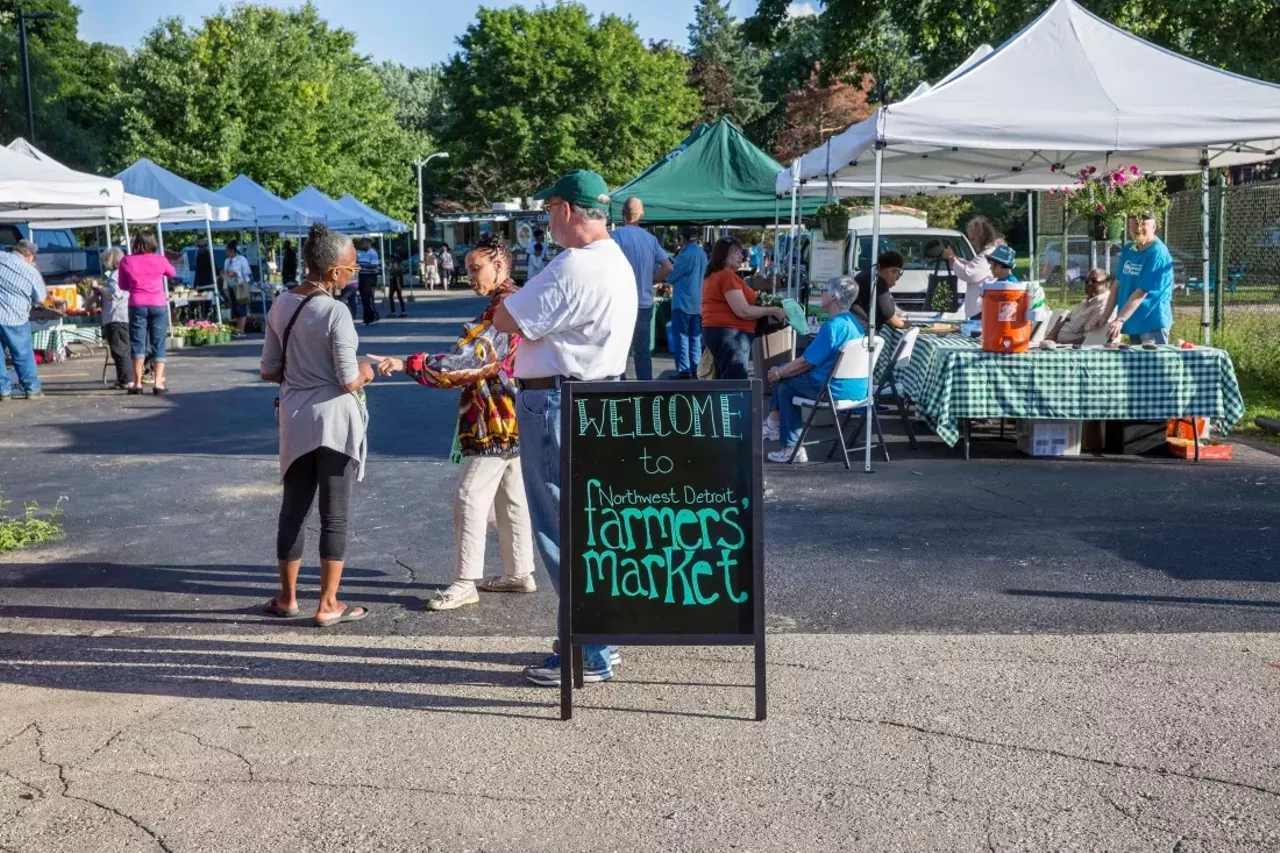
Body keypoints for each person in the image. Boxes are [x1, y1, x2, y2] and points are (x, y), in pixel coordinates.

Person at [491, 169, 636, 687]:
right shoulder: (615, 258)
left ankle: (588, 651)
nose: (547, 219)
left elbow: (508, 319)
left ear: (568, 210)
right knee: (589, 526)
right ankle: (599, 639)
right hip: (593, 394)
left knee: (561, 530)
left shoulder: (573, 265)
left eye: (550, 208)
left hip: (556, 399)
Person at [372, 233, 534, 610]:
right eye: (468, 270)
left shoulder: (505, 308)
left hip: (496, 417)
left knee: (470, 495)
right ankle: (519, 571)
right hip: (512, 413)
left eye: (476, 269)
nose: (470, 277)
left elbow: (471, 360)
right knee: (511, 496)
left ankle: (465, 582)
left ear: (499, 265)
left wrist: (409, 364)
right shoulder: (513, 301)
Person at [260, 222, 374, 628]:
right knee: (334, 514)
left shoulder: (281, 303)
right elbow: (348, 379)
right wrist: (369, 370)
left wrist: (303, 374)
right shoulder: (336, 311)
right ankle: (328, 604)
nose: (353, 275)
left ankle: (287, 597)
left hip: (295, 418)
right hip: (336, 422)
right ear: (332, 272)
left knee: (293, 510)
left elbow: (270, 369)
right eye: (351, 269)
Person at [762, 277, 868, 464]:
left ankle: (789, 444)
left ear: (834, 297)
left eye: (825, 291)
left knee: (784, 384)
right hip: (856, 388)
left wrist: (778, 373)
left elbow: (806, 363)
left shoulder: (833, 326)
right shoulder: (854, 322)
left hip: (831, 388)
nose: (822, 294)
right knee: (783, 373)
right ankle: (774, 425)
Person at [700, 238, 785, 379]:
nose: (741, 256)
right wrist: (772, 310)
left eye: (741, 253)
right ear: (724, 256)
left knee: (724, 385)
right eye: (736, 253)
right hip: (731, 336)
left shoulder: (714, 275)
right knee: (735, 387)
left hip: (720, 333)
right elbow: (743, 311)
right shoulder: (726, 276)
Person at [611, 198, 672, 380]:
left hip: (620, 302)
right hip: (644, 301)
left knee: (618, 348)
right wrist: (650, 279)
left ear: (623, 215)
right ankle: (645, 388)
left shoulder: (615, 236)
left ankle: (618, 388)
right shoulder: (651, 239)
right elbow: (668, 267)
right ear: (641, 215)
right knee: (643, 350)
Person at [118, 231, 176, 395]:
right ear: (153, 243)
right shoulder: (160, 259)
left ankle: (137, 384)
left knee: (138, 343)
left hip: (137, 304)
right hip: (158, 304)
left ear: (136, 243)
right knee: (159, 342)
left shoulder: (127, 261)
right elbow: (172, 273)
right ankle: (158, 383)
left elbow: (122, 285)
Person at [1104, 211, 1174, 344]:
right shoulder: (1128, 249)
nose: (1138, 227)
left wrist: (1119, 320)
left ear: (1154, 226)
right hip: (1132, 322)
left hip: (1152, 323)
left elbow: (1141, 292)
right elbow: (1116, 286)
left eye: (1143, 224)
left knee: (1153, 364)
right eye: (1135, 223)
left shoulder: (1157, 253)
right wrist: (1105, 316)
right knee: (1137, 364)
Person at [0, 240, 46, 401]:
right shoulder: (30, 271)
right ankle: (32, 388)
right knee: (22, 353)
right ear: (28, 255)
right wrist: (35, 269)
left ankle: (3, 391)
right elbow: (41, 297)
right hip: (15, 316)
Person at [941, 216, 1004, 319]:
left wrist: (953, 259)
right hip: (980, 308)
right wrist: (956, 259)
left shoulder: (988, 254)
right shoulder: (989, 252)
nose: (972, 243)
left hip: (981, 309)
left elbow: (970, 274)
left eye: (973, 239)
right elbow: (973, 266)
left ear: (982, 237)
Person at [667, 226, 708, 379]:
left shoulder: (685, 255)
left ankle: (684, 370)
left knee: (682, 337)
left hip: (683, 302)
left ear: (682, 239)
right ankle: (697, 369)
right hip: (698, 302)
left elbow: (671, 276)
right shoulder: (702, 254)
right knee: (695, 338)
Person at [92, 248, 133, 390]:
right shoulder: (127, 272)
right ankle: (124, 379)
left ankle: (126, 380)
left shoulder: (115, 276)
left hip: (116, 316)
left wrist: (99, 289)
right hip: (125, 315)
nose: (105, 265)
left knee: (119, 350)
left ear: (114, 262)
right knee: (123, 349)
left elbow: (115, 295)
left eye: (105, 262)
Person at [1050, 269, 1114, 344]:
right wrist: (1051, 336)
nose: (1089, 284)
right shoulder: (1087, 302)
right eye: (1087, 282)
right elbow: (1066, 318)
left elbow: (1090, 339)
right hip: (1057, 343)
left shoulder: (1105, 305)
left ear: (1107, 284)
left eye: (1094, 281)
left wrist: (1059, 344)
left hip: (1074, 349)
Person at [852, 250, 909, 331]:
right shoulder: (879, 282)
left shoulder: (865, 274)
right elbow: (888, 313)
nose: (894, 284)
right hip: (863, 330)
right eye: (896, 278)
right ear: (891, 271)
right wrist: (905, 325)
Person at [220, 240, 253, 336]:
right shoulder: (227, 261)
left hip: (240, 285)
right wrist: (224, 274)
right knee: (235, 308)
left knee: (241, 306)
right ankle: (238, 328)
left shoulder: (241, 259)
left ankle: (242, 330)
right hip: (231, 286)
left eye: (227, 250)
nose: (225, 253)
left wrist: (236, 273)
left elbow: (247, 271)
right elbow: (226, 272)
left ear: (231, 250)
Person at [355, 238, 380, 325]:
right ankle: (367, 317)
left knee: (368, 297)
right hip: (362, 276)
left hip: (370, 277)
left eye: (363, 243)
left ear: (368, 244)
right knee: (363, 298)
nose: (361, 245)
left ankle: (372, 317)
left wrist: (361, 265)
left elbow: (374, 265)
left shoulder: (373, 253)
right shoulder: (362, 253)